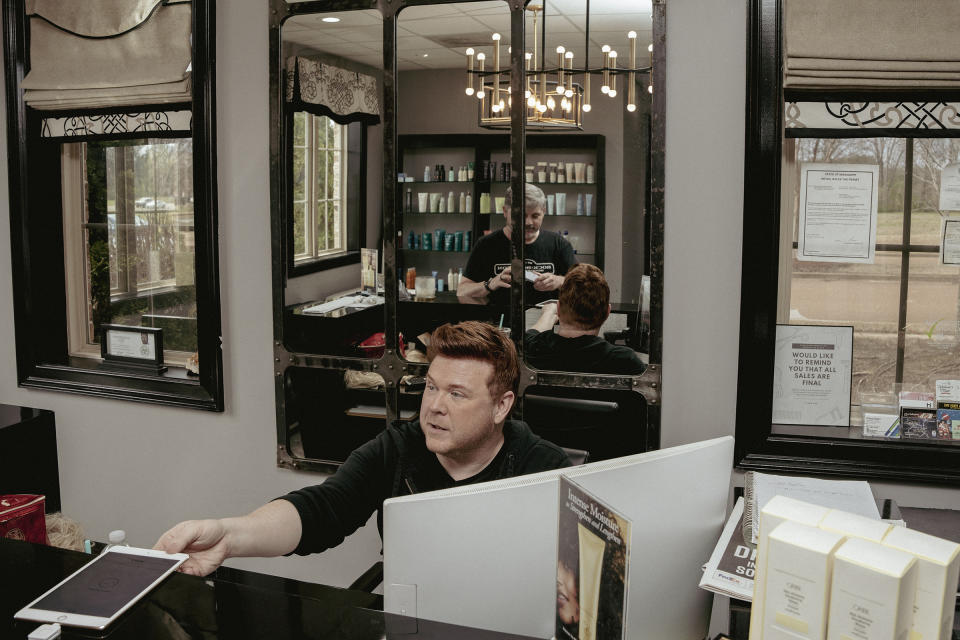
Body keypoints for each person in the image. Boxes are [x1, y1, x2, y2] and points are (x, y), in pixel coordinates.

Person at [154, 321, 571, 576]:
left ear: (502, 406)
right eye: (430, 387)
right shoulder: (399, 449)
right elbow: (322, 508)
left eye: (457, 395)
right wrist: (228, 535)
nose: (434, 406)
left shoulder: (542, 469)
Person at [458, 183, 577, 305]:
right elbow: (462, 291)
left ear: (544, 212)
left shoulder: (559, 244)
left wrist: (559, 281)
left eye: (535, 216)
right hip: (499, 321)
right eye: (521, 216)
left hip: (547, 320)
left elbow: (582, 288)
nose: (528, 222)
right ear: (505, 211)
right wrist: (490, 284)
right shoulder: (486, 245)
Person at [526, 264, 646, 375]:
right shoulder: (625, 362)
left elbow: (531, 334)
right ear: (607, 312)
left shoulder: (532, 351)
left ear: (558, 308)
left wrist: (548, 314)